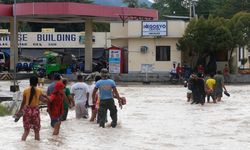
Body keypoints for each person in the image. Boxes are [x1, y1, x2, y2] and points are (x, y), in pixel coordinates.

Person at [15, 76, 49, 141]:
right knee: (36, 131)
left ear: (30, 82)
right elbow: (44, 100)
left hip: (27, 111)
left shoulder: (25, 90)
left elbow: (23, 102)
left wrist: (20, 111)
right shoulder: (39, 90)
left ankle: (22, 145)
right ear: (37, 82)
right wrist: (47, 97)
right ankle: (36, 146)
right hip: (35, 111)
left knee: (26, 131)